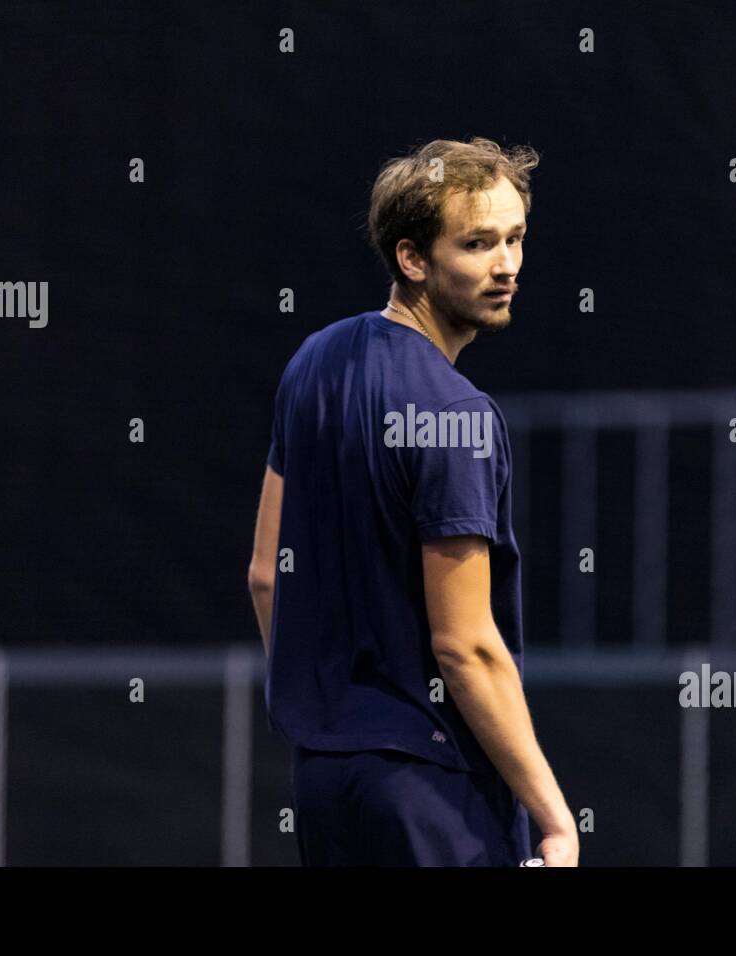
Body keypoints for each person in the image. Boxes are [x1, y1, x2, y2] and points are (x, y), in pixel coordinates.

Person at [247, 137, 577, 866]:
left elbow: (266, 575)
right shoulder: (458, 414)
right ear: (412, 260)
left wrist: (329, 713)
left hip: (325, 780)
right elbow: (464, 646)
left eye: (516, 238)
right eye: (478, 243)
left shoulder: (311, 364)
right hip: (429, 788)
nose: (508, 265)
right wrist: (554, 816)